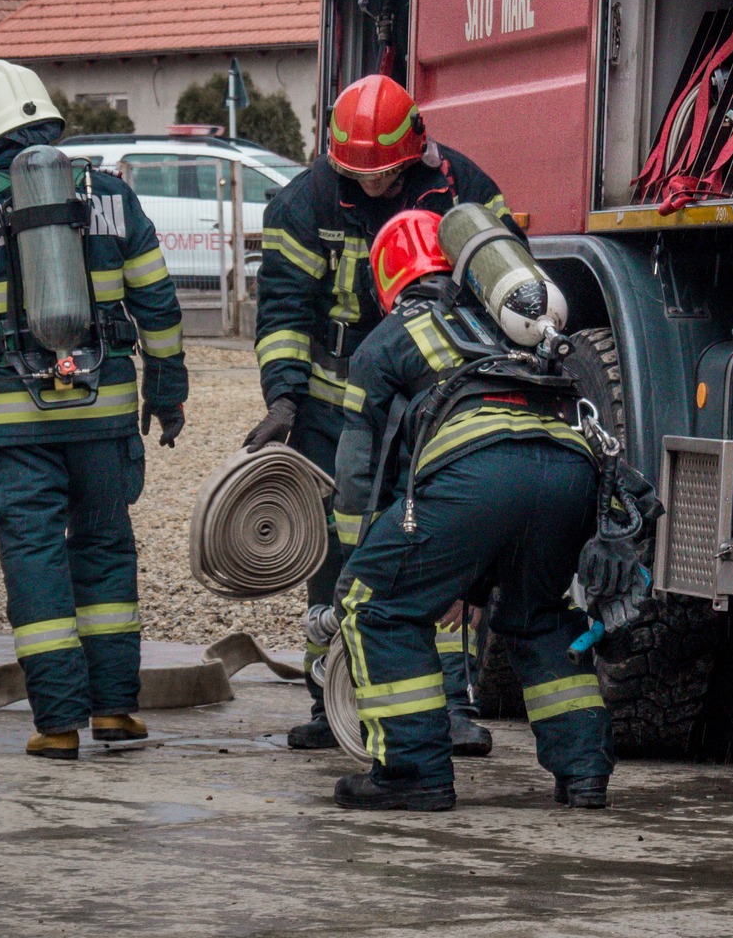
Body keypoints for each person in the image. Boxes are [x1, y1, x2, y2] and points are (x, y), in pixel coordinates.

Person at [0, 60, 187, 760]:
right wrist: (166, 392)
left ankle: (56, 723)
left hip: (12, 425)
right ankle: (115, 710)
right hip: (103, 416)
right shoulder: (113, 195)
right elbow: (158, 305)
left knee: (34, 560)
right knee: (105, 550)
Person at [246, 74, 513, 754]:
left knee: (435, 546)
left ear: (413, 152)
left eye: (385, 174)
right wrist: (284, 398)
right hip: (332, 408)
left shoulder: (459, 187)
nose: (372, 186)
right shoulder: (304, 203)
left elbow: (506, 274)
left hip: (432, 404)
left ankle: (449, 706)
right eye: (357, 175)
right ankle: (329, 699)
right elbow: (283, 310)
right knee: (333, 553)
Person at [327, 210, 613, 811]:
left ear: (386, 278)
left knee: (376, 606)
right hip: (568, 471)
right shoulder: (508, 323)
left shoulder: (389, 337)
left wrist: (360, 562)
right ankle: (584, 773)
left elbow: (359, 470)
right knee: (539, 616)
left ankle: (413, 772)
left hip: (480, 473)